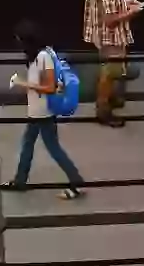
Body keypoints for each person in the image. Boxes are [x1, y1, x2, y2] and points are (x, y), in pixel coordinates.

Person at [7, 21, 85, 199]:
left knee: (52, 147)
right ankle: (20, 180)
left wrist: (22, 83)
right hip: (37, 110)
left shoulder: (44, 56)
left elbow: (49, 87)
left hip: (44, 111)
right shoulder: (38, 55)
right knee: (28, 144)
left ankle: (76, 181)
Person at [84, 0, 141, 128]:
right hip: (110, 35)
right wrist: (132, 12)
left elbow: (105, 4)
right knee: (110, 72)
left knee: (109, 69)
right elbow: (110, 21)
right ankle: (103, 109)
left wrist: (124, 2)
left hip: (98, 32)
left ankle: (109, 98)